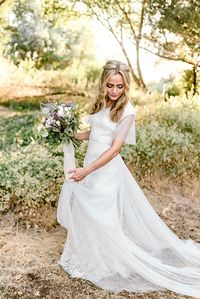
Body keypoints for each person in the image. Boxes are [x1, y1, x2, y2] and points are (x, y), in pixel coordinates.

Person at [57, 60, 200, 297]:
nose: (114, 91)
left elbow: (115, 148)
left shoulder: (127, 110)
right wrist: (69, 134)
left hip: (104, 169)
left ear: (126, 87)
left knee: (103, 214)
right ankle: (89, 256)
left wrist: (88, 169)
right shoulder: (102, 101)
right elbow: (96, 133)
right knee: (87, 211)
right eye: (110, 85)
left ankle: (112, 261)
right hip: (90, 164)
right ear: (103, 83)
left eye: (119, 87)